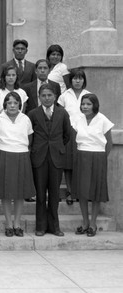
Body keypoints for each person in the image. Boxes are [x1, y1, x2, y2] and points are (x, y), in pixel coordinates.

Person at [28, 83, 71, 237]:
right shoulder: (32, 114)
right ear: (39, 97)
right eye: (43, 95)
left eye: (49, 95)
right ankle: (40, 226)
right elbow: (30, 135)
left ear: (55, 97)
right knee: (40, 194)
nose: (46, 98)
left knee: (54, 193)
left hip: (56, 158)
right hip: (38, 158)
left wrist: (56, 147)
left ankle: (54, 227)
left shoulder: (62, 113)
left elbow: (67, 135)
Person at [0, 92, 35, 237]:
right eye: (9, 103)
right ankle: (8, 224)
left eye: (15, 103)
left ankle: (17, 223)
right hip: (4, 154)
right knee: (5, 192)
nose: (12, 105)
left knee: (19, 192)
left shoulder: (25, 119)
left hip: (21, 154)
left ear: (19, 105)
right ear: (4, 105)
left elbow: (29, 137)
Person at [72, 94, 113, 237]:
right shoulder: (78, 119)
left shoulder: (103, 120)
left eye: (88, 104)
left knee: (96, 192)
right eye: (83, 104)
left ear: (95, 105)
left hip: (98, 157)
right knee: (82, 191)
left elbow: (109, 144)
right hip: (81, 156)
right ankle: (85, 222)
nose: (85, 107)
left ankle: (93, 223)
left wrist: (100, 158)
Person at [58, 68, 90, 206]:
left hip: (85, 131)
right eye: (75, 78)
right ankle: (70, 191)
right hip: (69, 131)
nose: (78, 81)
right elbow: (59, 114)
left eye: (80, 78)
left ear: (84, 80)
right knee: (69, 164)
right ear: (70, 80)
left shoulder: (89, 95)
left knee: (81, 164)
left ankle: (81, 192)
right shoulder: (65, 95)